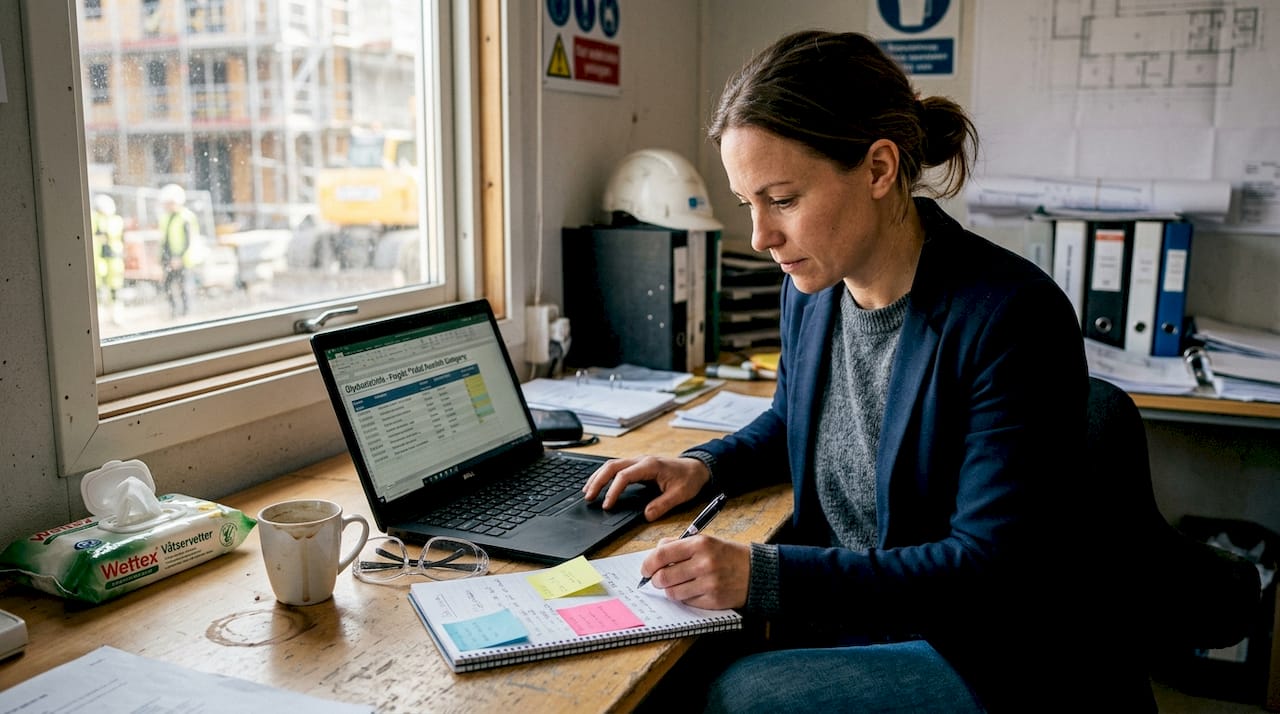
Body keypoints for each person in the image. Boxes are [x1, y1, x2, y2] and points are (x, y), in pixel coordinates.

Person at [584, 30, 1152, 713]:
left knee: (731, 697)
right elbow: (795, 421)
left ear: (880, 169)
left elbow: (983, 569)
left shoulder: (1011, 316)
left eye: (783, 199)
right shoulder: (812, 289)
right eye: (748, 205)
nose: (761, 237)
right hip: (863, 611)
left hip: (983, 649)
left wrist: (763, 575)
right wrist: (705, 466)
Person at [157, 183, 200, 317]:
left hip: (183, 260)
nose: (166, 206)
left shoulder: (185, 217)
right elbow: (165, 240)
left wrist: (179, 257)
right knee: (168, 286)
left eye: (168, 203)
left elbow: (189, 240)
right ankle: (174, 311)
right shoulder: (166, 218)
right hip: (169, 258)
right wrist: (162, 258)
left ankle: (186, 313)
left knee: (184, 287)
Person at [90, 193, 125, 324]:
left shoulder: (116, 220)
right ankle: (98, 315)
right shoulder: (93, 219)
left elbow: (116, 237)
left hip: (114, 260)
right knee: (97, 289)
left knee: (115, 289)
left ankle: (116, 315)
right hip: (98, 259)